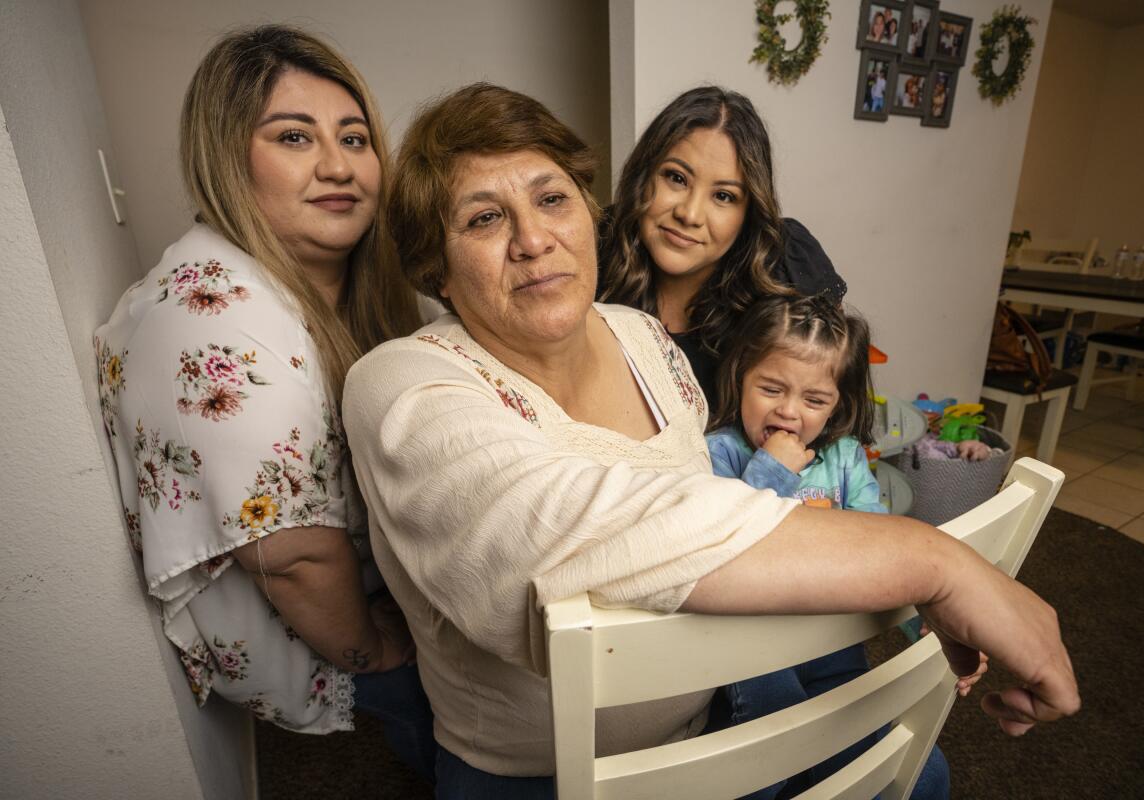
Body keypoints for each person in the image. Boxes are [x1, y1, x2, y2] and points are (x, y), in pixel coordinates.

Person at [343, 82, 1079, 798]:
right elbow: (560, 533)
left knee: (919, 775)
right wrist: (936, 563)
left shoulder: (639, 335)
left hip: (720, 698)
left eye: (551, 198)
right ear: (433, 265)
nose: (534, 239)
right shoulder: (401, 383)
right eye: (483, 219)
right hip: (547, 772)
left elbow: (709, 500)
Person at [94, 24, 434, 779]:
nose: (338, 165)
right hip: (331, 678)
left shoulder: (294, 284)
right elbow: (293, 558)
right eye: (294, 137)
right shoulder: (216, 319)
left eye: (354, 137)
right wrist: (377, 653)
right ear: (227, 154)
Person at [705, 296, 986, 799]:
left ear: (838, 403)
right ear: (739, 378)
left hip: (834, 650)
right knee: (773, 751)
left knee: (925, 775)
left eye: (814, 400)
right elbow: (723, 543)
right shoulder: (719, 451)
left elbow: (882, 550)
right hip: (753, 657)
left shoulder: (844, 457)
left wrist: (926, 620)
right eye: (770, 388)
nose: (788, 412)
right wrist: (770, 470)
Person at [599, 85, 847, 402]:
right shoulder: (593, 246)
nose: (689, 214)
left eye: (723, 196)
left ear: (748, 213)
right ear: (644, 175)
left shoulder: (789, 265)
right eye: (676, 178)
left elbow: (829, 408)